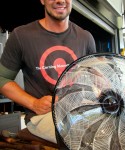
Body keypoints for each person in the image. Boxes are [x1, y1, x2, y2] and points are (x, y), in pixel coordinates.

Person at [0, 0, 96, 143]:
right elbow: (2, 78)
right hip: (43, 116)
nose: (60, 1)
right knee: (80, 139)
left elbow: (94, 77)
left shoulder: (86, 37)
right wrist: (34, 104)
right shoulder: (21, 36)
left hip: (80, 113)